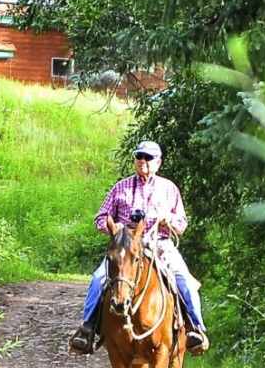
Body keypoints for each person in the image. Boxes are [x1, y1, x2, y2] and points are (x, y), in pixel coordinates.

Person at [68, 140, 209, 355]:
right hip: (126, 248)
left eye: (148, 157)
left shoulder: (169, 188)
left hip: (160, 245)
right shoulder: (120, 187)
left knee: (184, 281)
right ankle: (87, 329)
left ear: (158, 162)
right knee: (98, 279)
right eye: (139, 156)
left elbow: (181, 224)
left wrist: (167, 220)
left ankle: (196, 330)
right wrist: (116, 227)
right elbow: (100, 217)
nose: (143, 161)